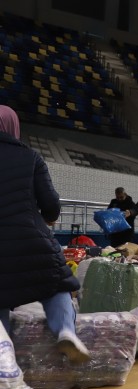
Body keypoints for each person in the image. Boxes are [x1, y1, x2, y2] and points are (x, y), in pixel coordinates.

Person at [0, 105, 90, 363]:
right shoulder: (30, 157)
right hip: (32, 240)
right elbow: (50, 205)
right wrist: (47, 218)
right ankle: (65, 331)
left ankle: (3, 358)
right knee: (57, 286)